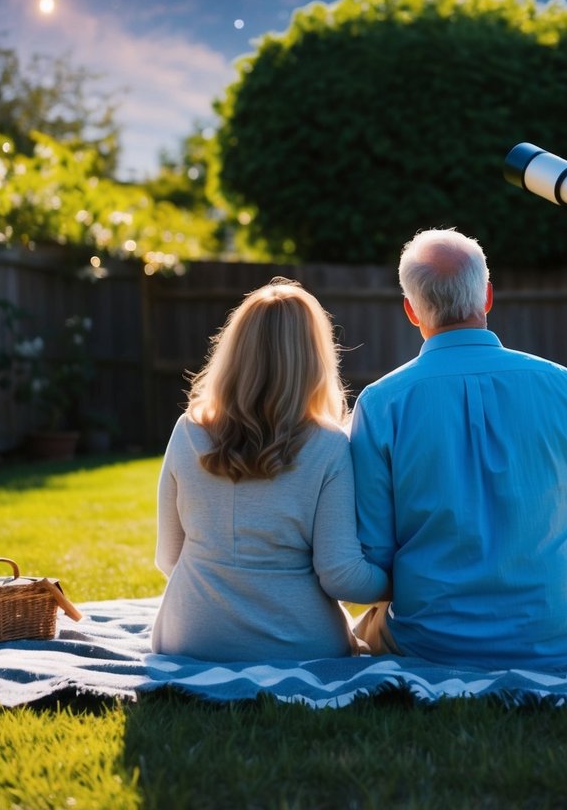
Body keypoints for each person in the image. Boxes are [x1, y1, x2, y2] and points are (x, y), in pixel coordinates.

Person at [349, 229, 567, 668]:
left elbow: (374, 552)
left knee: (364, 629)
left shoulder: (381, 404)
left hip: (431, 645)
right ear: (488, 296)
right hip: (557, 642)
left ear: (410, 310)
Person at [151, 277, 389, 662]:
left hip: (188, 638)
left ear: (234, 351)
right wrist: (398, 584)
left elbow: (168, 558)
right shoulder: (329, 445)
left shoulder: (188, 430)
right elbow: (340, 575)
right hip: (298, 644)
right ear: (314, 358)